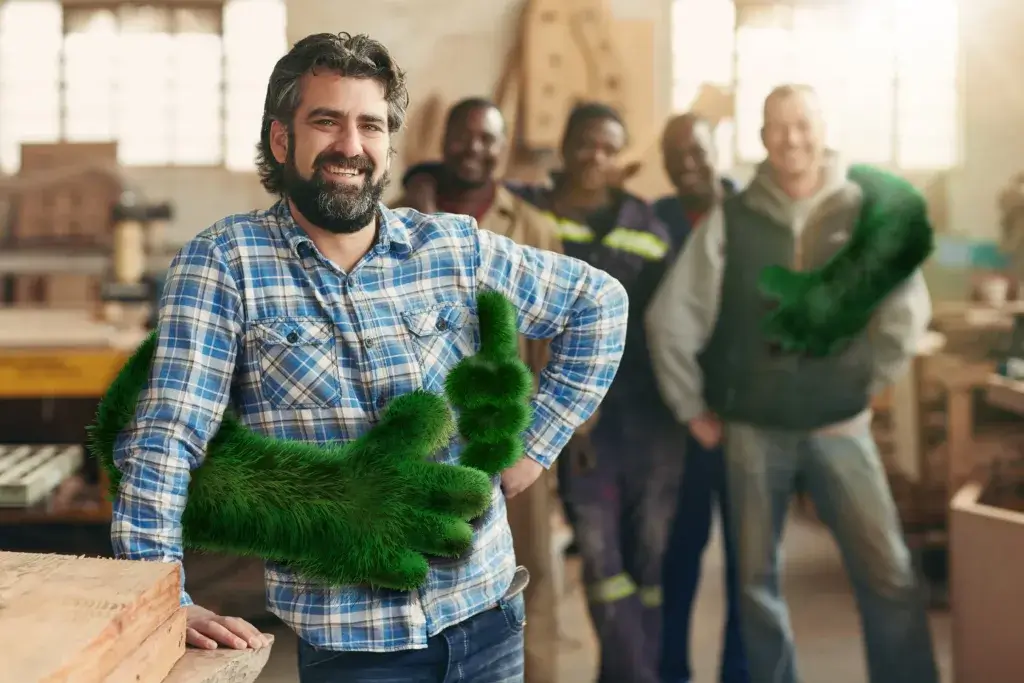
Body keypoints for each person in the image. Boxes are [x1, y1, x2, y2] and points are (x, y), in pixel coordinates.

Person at [109, 32, 629, 683]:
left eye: (370, 124)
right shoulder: (227, 265)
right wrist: (164, 600)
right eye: (326, 121)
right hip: (358, 650)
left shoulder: (450, 247)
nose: (351, 145)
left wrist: (536, 442)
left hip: (490, 619)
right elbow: (164, 438)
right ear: (281, 140)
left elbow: (599, 305)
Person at [645, 84, 939, 683]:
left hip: (842, 428)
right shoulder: (734, 218)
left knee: (891, 576)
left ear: (823, 129)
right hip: (755, 432)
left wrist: (863, 385)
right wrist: (691, 408)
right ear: (761, 138)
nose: (791, 139)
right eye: (777, 127)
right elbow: (670, 319)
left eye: (802, 124)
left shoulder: (863, 213)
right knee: (756, 587)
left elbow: (907, 313)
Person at [393, 96, 564, 683]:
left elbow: (555, 341)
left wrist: (545, 439)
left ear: (503, 145)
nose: (474, 148)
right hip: (425, 439)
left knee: (530, 573)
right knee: (428, 571)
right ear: (444, 141)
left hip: (511, 440)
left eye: (488, 137)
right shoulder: (397, 217)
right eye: (463, 136)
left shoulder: (534, 227)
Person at [652, 113, 747, 683]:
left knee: (748, 562)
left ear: (719, 150)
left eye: (698, 151)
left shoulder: (749, 217)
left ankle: (739, 672)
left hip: (743, 420)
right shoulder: (655, 221)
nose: (688, 164)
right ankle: (671, 671)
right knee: (677, 558)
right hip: (677, 424)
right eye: (675, 154)